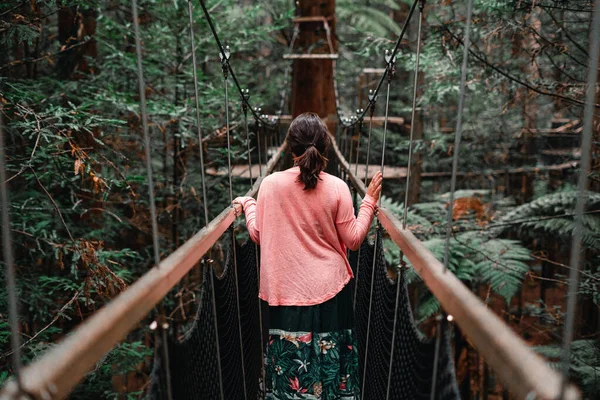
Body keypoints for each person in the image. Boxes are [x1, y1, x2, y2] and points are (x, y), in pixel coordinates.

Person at [234, 112, 382, 399]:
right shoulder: (338, 187)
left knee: (291, 375)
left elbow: (258, 235)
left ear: (290, 148)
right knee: (332, 376)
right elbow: (353, 240)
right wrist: (370, 203)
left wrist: (249, 204)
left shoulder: (270, 185)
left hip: (287, 294)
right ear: (325, 147)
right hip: (332, 292)